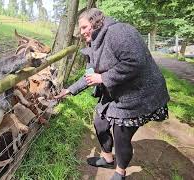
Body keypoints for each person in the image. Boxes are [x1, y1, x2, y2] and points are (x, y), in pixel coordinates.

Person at [54, 8, 170, 180]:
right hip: (117, 91)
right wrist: (69, 90)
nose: (82, 32)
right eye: (80, 29)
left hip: (139, 92)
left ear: (95, 22)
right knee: (100, 121)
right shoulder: (93, 43)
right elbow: (90, 75)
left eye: (84, 27)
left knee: (121, 132)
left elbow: (135, 61)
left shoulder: (119, 32)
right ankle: (107, 157)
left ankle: (120, 172)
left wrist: (103, 77)